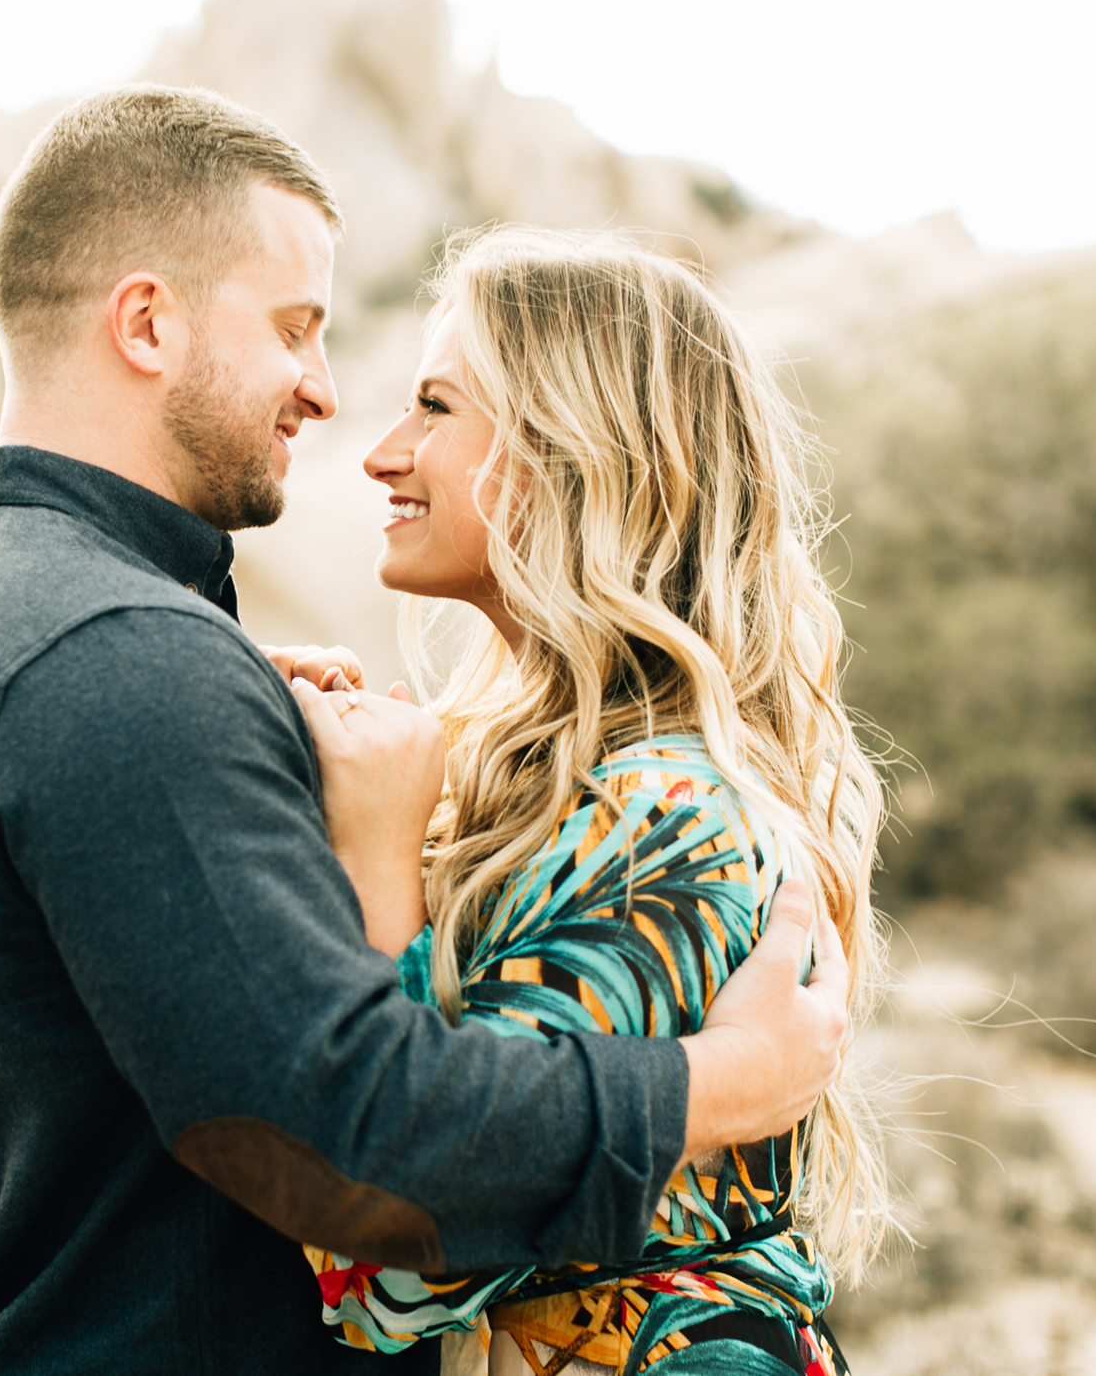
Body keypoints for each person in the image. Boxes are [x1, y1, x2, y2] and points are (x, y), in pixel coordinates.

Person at [0, 85, 851, 1375]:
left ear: (579, 455)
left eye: (433, 404)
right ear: (147, 322)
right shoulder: (115, 656)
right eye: (296, 328)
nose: (343, 410)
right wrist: (722, 1081)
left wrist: (241, 736)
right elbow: (366, 1167)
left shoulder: (32, 612)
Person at [297, 228, 889, 1375]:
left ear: (571, 454)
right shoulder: (580, 786)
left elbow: (389, 1263)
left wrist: (375, 859)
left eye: (432, 406)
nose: (380, 453)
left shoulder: (662, 817)